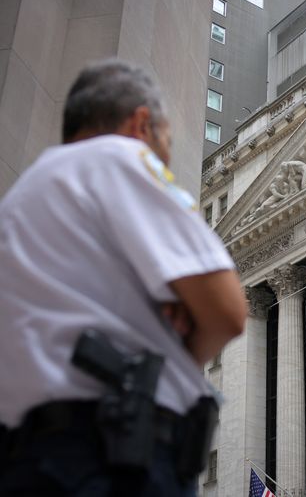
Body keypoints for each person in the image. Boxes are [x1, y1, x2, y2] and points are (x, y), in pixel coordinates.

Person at [0, 59, 248, 496]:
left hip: (22, 458)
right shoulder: (121, 156)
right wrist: (180, 343)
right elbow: (228, 311)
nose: (164, 161)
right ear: (140, 124)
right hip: (113, 456)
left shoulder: (18, 204)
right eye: (165, 147)